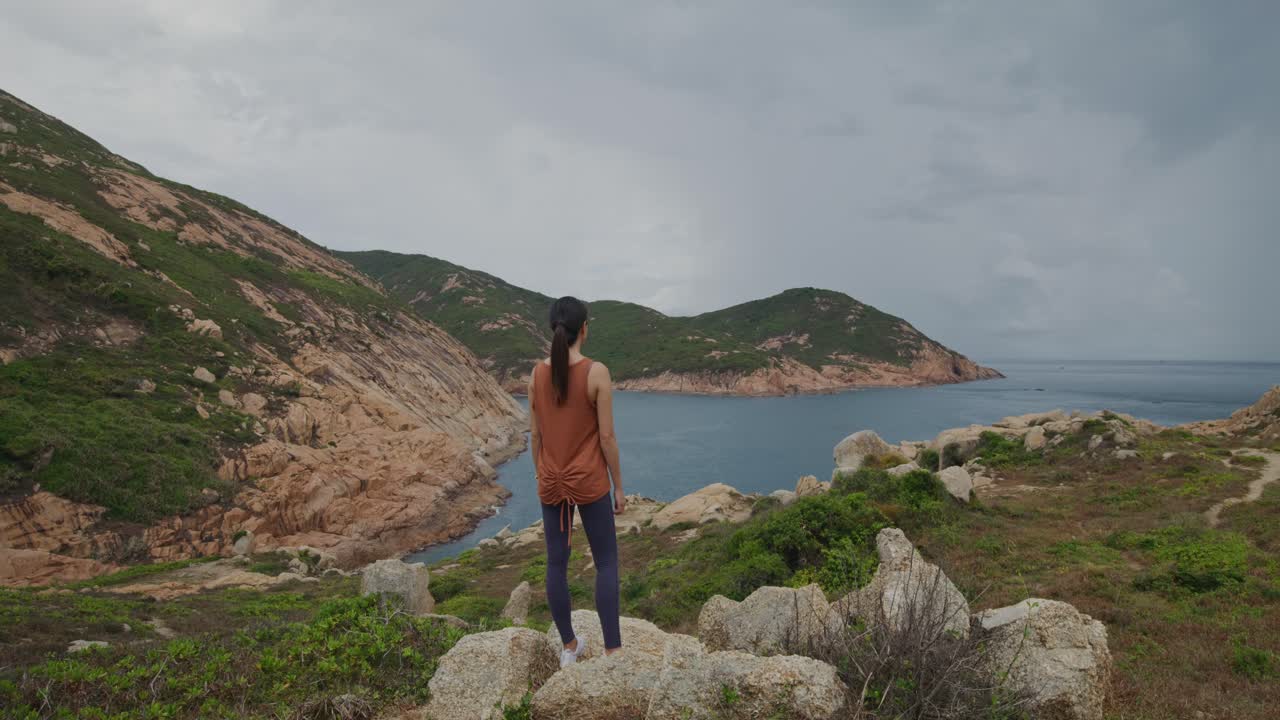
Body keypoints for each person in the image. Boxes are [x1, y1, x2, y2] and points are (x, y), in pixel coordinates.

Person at [528, 296, 625, 667]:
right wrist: (619, 486)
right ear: (584, 328)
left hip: (551, 481)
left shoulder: (536, 375)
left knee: (556, 563)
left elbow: (536, 436)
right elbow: (607, 438)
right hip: (588, 480)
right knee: (606, 563)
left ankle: (569, 647)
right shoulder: (596, 372)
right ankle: (613, 651)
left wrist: (540, 472)